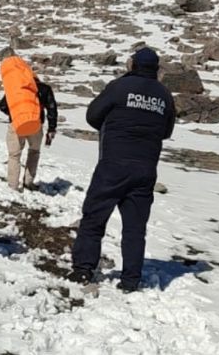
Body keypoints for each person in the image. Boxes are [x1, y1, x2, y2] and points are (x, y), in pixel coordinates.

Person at [69, 47, 176, 293]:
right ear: (156, 68)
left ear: (133, 65)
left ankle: (83, 268)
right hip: (146, 168)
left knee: (94, 217)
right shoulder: (164, 95)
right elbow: (167, 131)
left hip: (113, 164)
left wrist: (115, 125)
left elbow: (93, 115)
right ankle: (130, 280)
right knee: (135, 228)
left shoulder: (119, 87)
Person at [0, 75, 58, 191]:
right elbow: (52, 109)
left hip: (16, 124)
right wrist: (51, 128)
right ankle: (28, 182)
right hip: (36, 124)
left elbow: (3, 106)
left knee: (14, 155)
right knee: (34, 152)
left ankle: (13, 185)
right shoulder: (44, 88)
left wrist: (15, 114)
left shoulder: (16, 87)